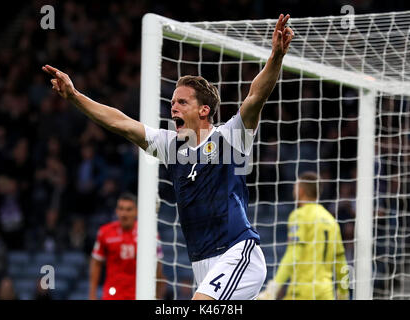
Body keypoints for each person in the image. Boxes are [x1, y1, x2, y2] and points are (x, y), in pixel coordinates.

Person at [43, 14, 294, 300]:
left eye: (182, 102)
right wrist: (75, 96)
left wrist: (275, 57)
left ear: (204, 110)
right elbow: (120, 123)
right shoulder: (170, 146)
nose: (173, 108)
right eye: (172, 102)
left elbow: (255, 98)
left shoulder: (229, 138)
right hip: (203, 262)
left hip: (238, 251)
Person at [258, 172, 350, 300]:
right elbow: (340, 260)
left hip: (302, 292)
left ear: (300, 191)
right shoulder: (331, 220)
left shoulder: (299, 215)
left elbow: (293, 254)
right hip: (326, 293)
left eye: (295, 186)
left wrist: (274, 287)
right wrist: (343, 292)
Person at [89, 192, 166, 300]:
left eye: (129, 209)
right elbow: (96, 262)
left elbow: (158, 266)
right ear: (116, 211)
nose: (124, 213)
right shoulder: (105, 232)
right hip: (112, 295)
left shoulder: (149, 233)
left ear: (136, 211)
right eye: (121, 209)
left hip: (140, 295)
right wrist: (92, 295)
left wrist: (158, 295)